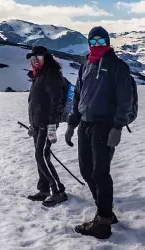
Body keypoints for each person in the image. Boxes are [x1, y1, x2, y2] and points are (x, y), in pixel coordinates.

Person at [65, 26, 136, 239]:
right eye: (93, 42)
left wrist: (118, 127)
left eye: (100, 41)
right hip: (85, 125)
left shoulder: (117, 66)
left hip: (105, 126)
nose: (97, 45)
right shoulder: (85, 65)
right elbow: (78, 96)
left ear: (107, 41)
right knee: (87, 171)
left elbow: (125, 100)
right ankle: (105, 211)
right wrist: (71, 123)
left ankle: (103, 222)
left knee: (100, 173)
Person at [26, 46, 68, 207]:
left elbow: (56, 102)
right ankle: (43, 189)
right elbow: (35, 103)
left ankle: (58, 191)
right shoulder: (39, 75)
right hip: (37, 123)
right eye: (33, 58)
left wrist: (51, 125)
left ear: (46, 58)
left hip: (46, 124)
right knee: (40, 156)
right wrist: (32, 124)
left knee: (42, 155)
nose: (35, 59)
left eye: (39, 56)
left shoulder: (51, 75)